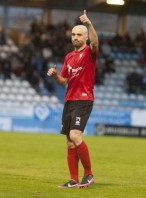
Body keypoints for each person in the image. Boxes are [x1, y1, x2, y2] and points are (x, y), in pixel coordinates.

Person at [47, 10, 99, 189]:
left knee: (75, 135)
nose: (76, 37)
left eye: (79, 34)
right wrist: (54, 75)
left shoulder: (90, 53)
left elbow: (95, 43)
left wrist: (89, 25)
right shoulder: (68, 57)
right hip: (69, 101)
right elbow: (63, 81)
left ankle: (89, 175)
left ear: (85, 37)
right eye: (74, 35)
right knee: (69, 142)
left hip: (84, 100)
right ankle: (73, 179)